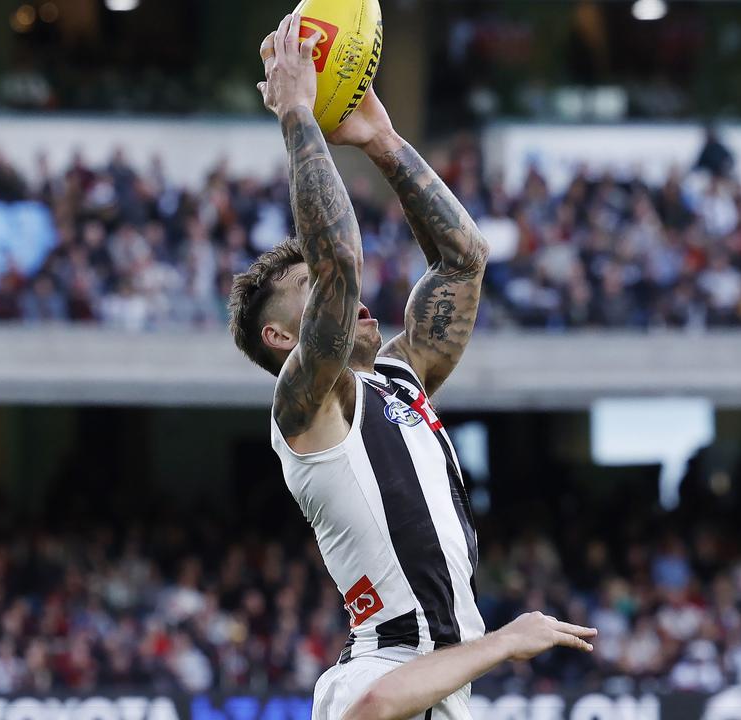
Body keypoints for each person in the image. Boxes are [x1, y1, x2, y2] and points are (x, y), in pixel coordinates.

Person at [228, 14, 596, 719]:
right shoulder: (306, 405)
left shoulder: (397, 377)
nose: (354, 300)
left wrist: (382, 142)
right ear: (281, 337)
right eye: (311, 296)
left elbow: (464, 260)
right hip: (399, 660)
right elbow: (340, 266)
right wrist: (298, 115)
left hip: (443, 677)